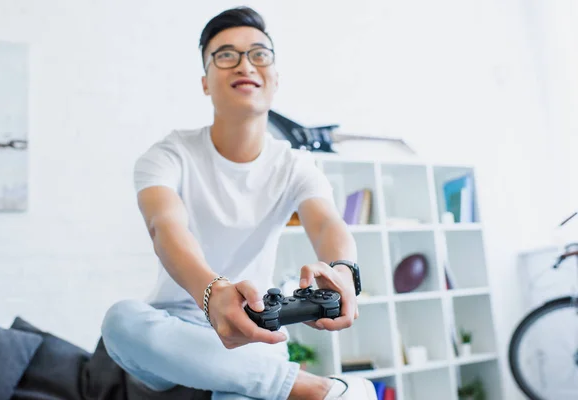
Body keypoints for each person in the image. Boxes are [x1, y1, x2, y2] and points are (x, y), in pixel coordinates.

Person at [101, 6, 378, 400]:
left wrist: (343, 270)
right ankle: (316, 389)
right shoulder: (167, 155)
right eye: (226, 55)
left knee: (247, 381)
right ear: (205, 82)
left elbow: (326, 223)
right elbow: (165, 226)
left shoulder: (296, 165)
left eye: (259, 54)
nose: (244, 64)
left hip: (255, 326)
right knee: (120, 322)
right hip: (177, 326)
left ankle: (277, 383)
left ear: (275, 78)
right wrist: (212, 295)